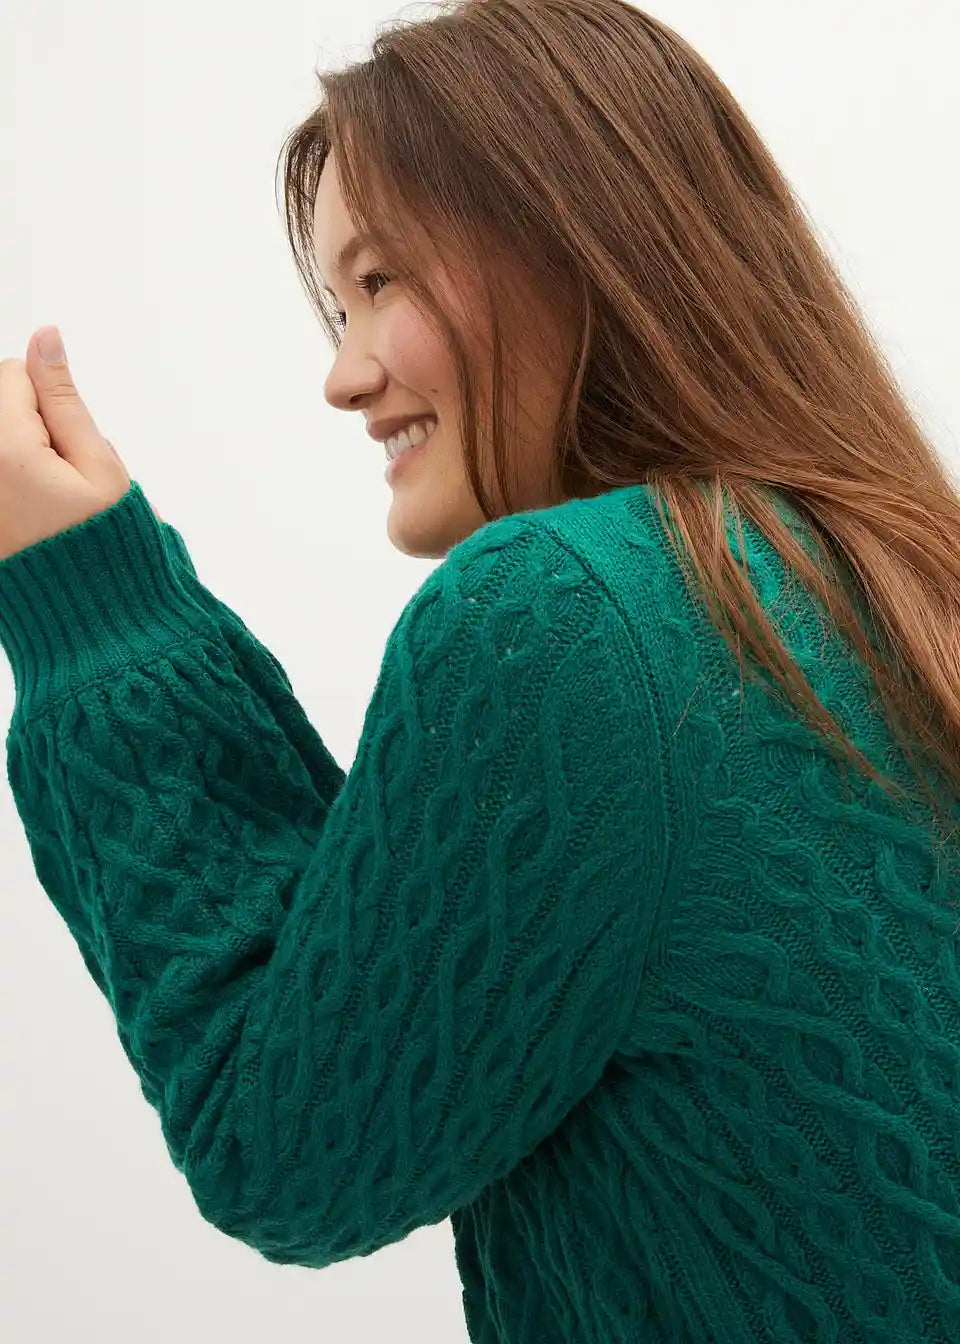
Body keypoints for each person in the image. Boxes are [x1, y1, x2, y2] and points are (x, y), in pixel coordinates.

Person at [2, 1, 959, 1340]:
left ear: (576, 247)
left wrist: (97, 612)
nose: (343, 375)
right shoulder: (900, 584)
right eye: (339, 305)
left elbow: (285, 1150)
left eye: (382, 282)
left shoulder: (561, 617)